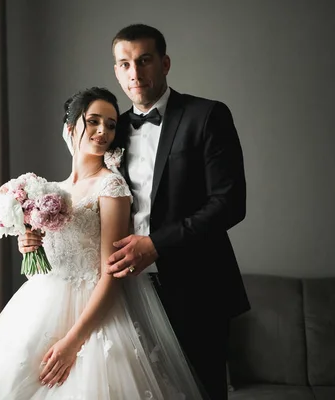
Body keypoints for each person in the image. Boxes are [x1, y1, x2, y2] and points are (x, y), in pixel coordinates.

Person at [0, 87, 206, 399]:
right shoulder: (50, 191)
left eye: (110, 124)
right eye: (93, 121)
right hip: (40, 306)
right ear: (70, 128)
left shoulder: (112, 186)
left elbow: (112, 272)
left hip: (95, 312)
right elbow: (42, 263)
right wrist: (28, 244)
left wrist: (73, 341)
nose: (102, 131)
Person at [106, 24, 250, 399]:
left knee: (202, 391)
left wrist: (156, 244)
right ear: (117, 71)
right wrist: (38, 231)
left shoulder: (207, 116)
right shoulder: (113, 130)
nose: (135, 73)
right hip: (128, 290)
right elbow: (89, 197)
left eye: (144, 60)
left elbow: (229, 203)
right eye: (124, 64)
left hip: (199, 286)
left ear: (165, 63)